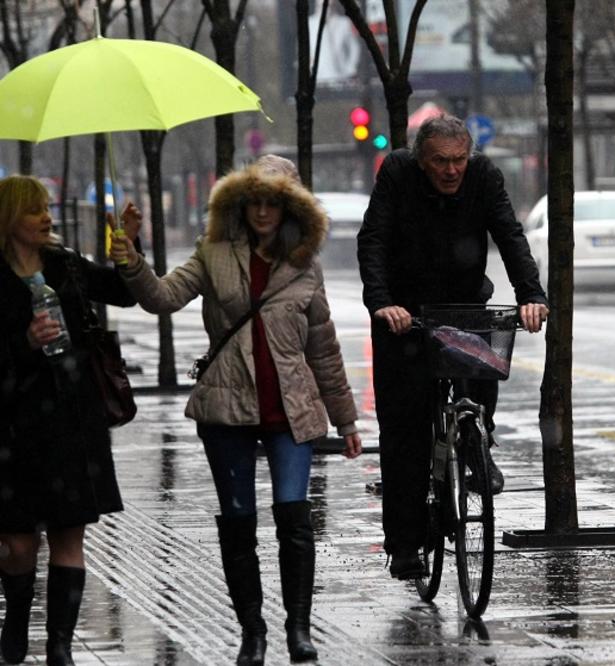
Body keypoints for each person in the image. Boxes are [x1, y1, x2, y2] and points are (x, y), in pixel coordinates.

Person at [110, 155, 362, 666]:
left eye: (275, 202)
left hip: (291, 410)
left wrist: (346, 418)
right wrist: (130, 257)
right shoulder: (214, 253)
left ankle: (298, 629)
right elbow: (161, 298)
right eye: (255, 201)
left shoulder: (303, 263)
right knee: (238, 520)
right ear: (241, 204)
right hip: (226, 407)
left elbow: (324, 347)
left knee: (295, 519)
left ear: (292, 208)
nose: (263, 211)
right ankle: (252, 631)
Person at [357, 114, 549, 580]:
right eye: (441, 162)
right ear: (422, 161)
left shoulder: (483, 175)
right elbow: (374, 240)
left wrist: (531, 295)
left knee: (481, 368)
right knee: (404, 433)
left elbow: (509, 234)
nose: (451, 170)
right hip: (404, 314)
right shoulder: (397, 173)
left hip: (463, 302)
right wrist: (383, 303)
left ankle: (479, 445)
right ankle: (404, 544)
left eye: (459, 160)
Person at [0, 174, 139, 665]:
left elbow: (123, 292)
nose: (46, 217)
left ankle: (60, 645)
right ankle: (17, 614)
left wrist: (128, 249)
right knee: (16, 545)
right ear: (9, 218)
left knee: (67, 533)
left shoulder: (65, 265)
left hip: (70, 421)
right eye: (35, 209)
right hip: (12, 427)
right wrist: (25, 344)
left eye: (47, 209)